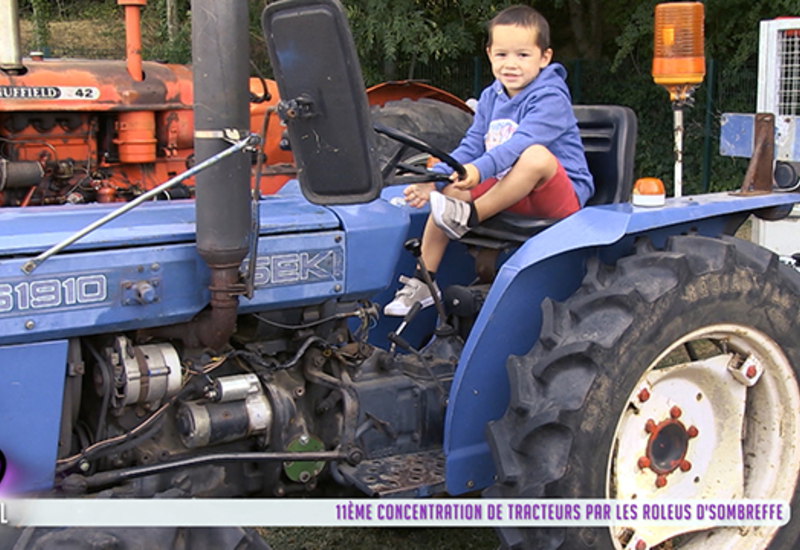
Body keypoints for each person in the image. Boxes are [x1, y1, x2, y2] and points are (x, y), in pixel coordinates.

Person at [384, 4, 594, 317]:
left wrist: (477, 171)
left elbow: (518, 146)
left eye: (522, 55)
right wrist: (437, 179)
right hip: (508, 190)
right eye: (502, 54)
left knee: (534, 155)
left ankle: (470, 215)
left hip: (556, 197)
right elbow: (471, 145)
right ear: (489, 54)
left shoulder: (551, 97)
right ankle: (424, 281)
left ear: (544, 57)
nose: (511, 64)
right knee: (449, 195)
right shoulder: (491, 97)